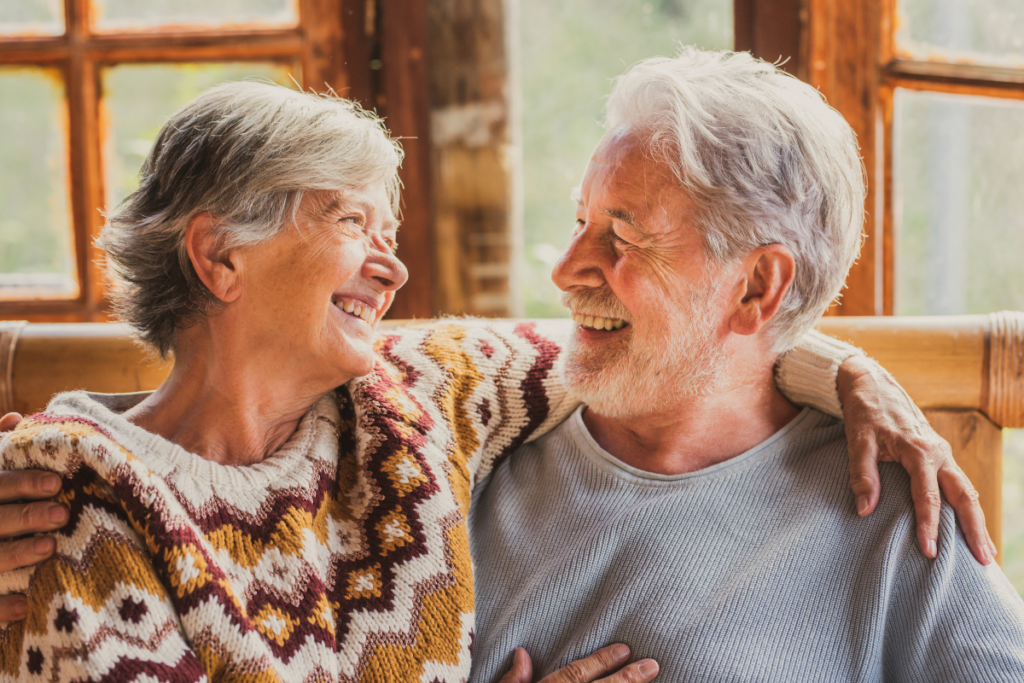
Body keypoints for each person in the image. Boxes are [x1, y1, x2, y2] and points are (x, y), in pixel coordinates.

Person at [0, 79, 993, 683]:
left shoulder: (417, 406)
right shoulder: (75, 500)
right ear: (220, 259)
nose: (389, 266)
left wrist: (847, 370)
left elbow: (695, 341)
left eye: (385, 232)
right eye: (352, 223)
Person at [469, 48, 1024, 683]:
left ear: (758, 287)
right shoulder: (458, 456)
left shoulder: (899, 512)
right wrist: (844, 369)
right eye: (578, 220)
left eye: (623, 238)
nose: (564, 271)